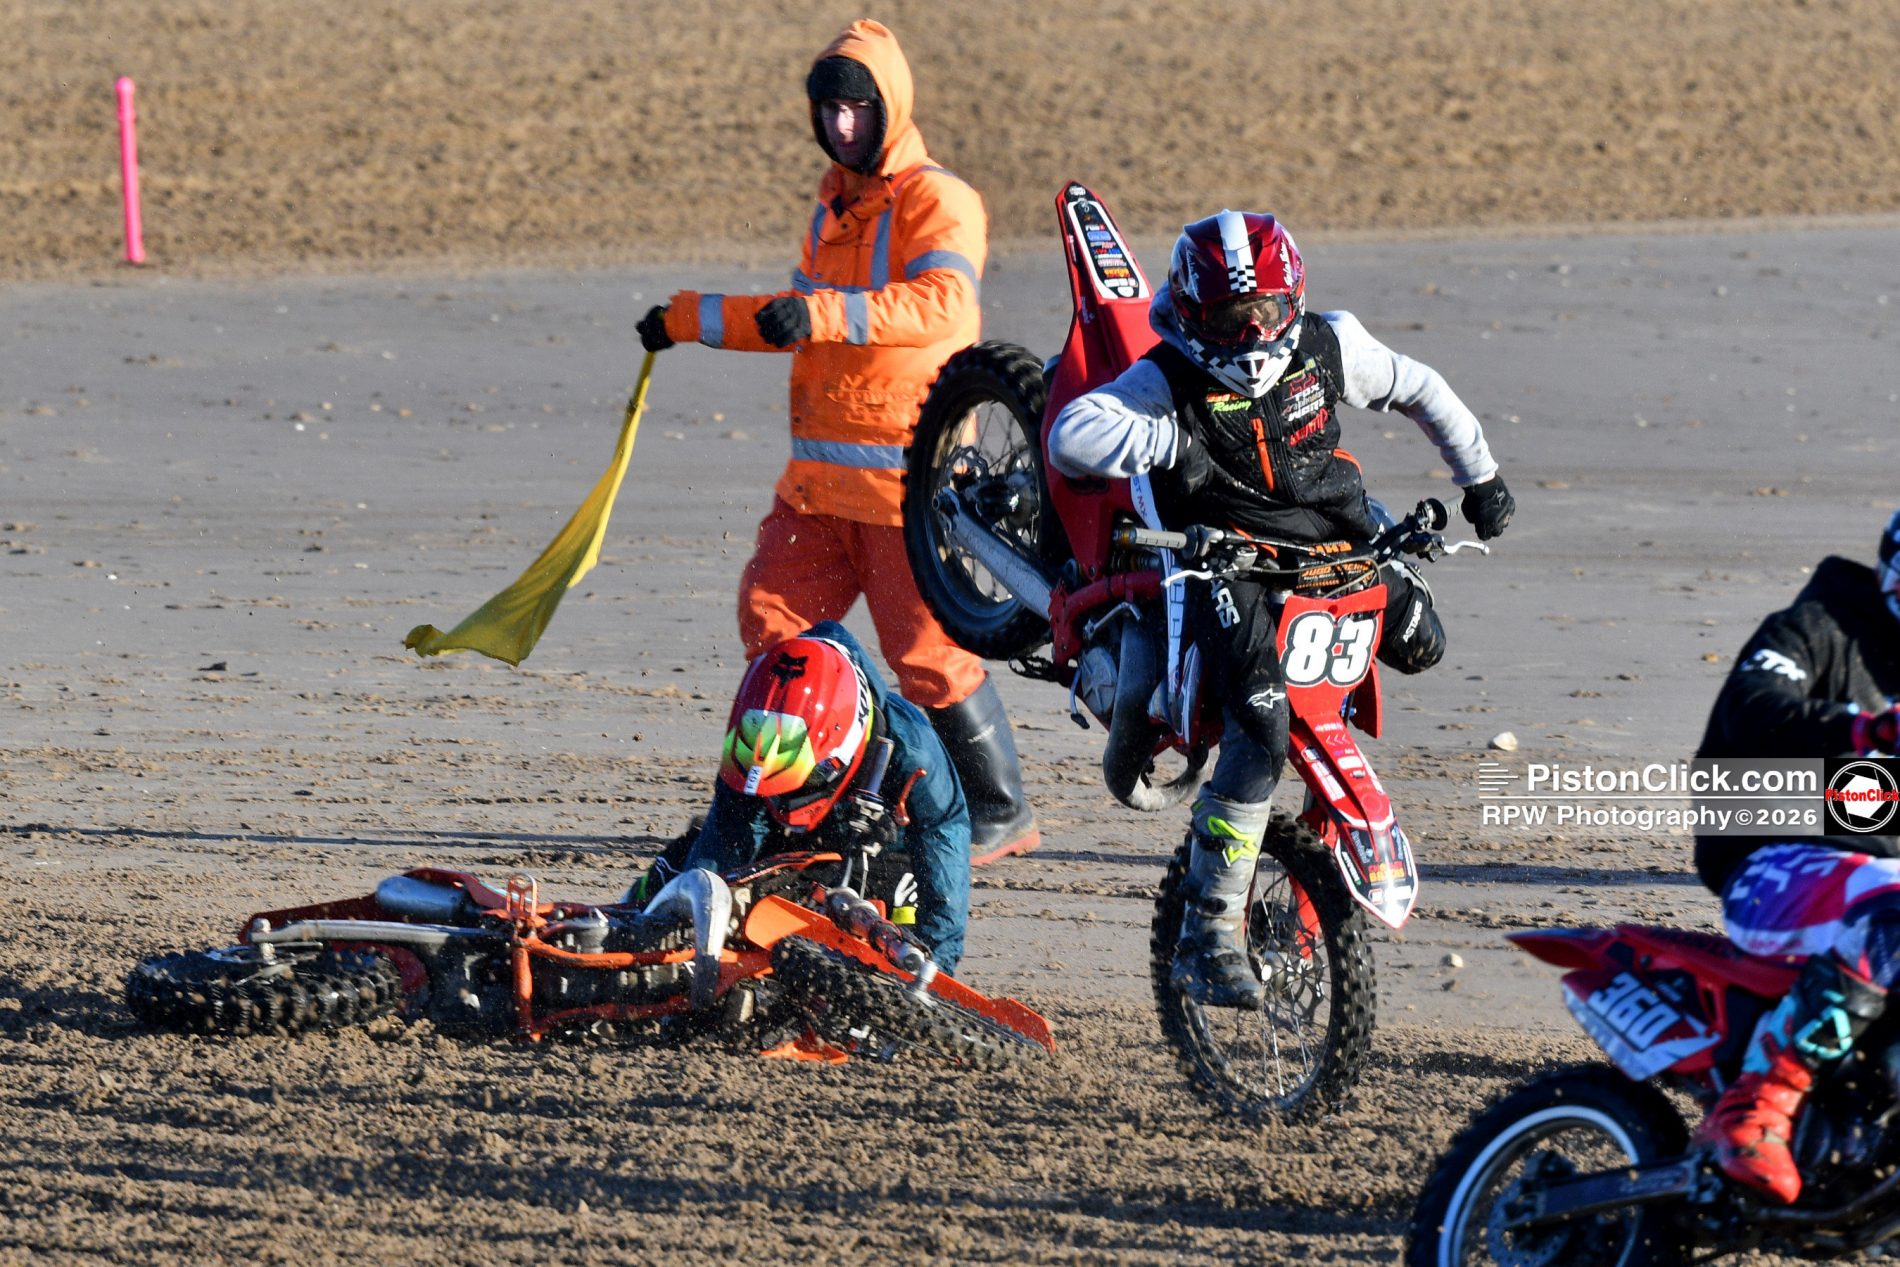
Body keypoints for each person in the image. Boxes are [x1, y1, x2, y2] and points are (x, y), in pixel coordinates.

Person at [1046, 210, 1514, 1008]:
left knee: (1422, 641)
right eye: (1235, 317)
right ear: (1198, 317)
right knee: (1259, 731)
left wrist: (1482, 479)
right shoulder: (1165, 380)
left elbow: (1420, 386)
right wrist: (1158, 443)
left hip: (1340, 544)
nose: (1254, 330)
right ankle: (1208, 931)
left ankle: (1310, 862)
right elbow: (1072, 437)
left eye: (1265, 310)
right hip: (1229, 567)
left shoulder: (1329, 346)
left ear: (1291, 298)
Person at [633, 19, 1037, 865]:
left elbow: (943, 307)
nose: (842, 124)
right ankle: (811, 790)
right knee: (773, 627)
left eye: (857, 108)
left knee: (926, 657)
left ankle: (998, 808)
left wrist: (815, 313)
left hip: (904, 485)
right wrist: (684, 319)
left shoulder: (939, 200)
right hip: (817, 488)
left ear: (890, 107)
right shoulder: (833, 205)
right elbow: (791, 315)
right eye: (829, 109)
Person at [1687, 510, 1900, 1203]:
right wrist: (1866, 729)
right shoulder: (1821, 623)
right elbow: (1752, 703)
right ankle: (1755, 1104)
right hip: (1768, 856)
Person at [627, 621, 972, 973]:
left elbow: (944, 844)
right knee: (681, 874)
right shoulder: (752, 746)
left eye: (803, 780)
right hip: (786, 848)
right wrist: (691, 924)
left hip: (879, 856)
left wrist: (937, 965)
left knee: (899, 920)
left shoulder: (913, 751)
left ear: (844, 747)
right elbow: (728, 837)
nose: (788, 796)